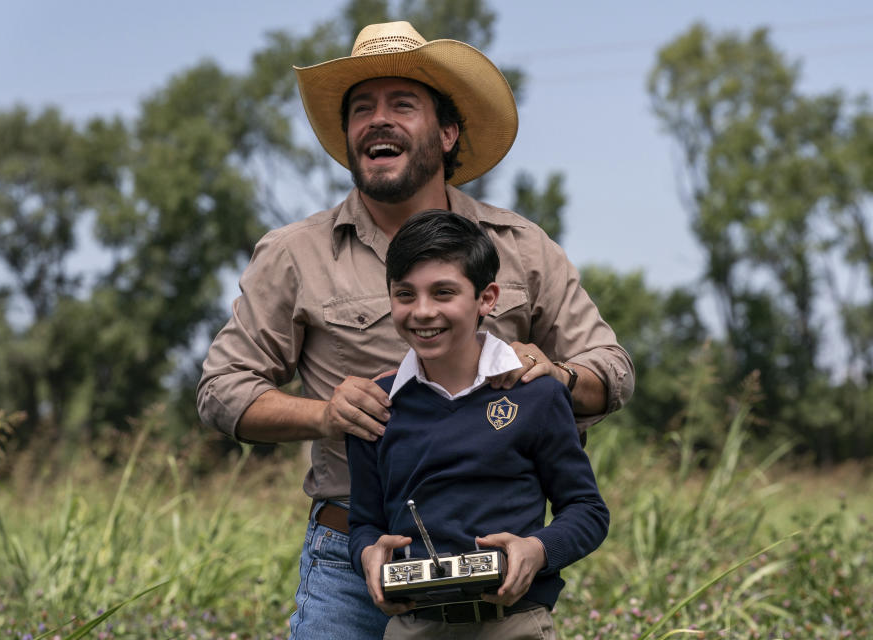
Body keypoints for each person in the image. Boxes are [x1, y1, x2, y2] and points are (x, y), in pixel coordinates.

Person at [197, 20, 633, 640]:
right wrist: (326, 415)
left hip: (491, 567)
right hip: (354, 556)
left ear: (448, 131)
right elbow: (221, 391)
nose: (379, 120)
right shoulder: (294, 253)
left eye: (403, 104)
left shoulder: (522, 248)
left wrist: (558, 377)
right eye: (362, 109)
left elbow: (612, 370)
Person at [347, 210, 609, 639]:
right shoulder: (377, 405)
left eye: (444, 292)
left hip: (515, 625)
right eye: (405, 294)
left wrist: (537, 550)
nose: (423, 311)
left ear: (486, 298)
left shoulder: (537, 395)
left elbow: (587, 511)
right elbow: (364, 524)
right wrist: (368, 555)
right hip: (413, 628)